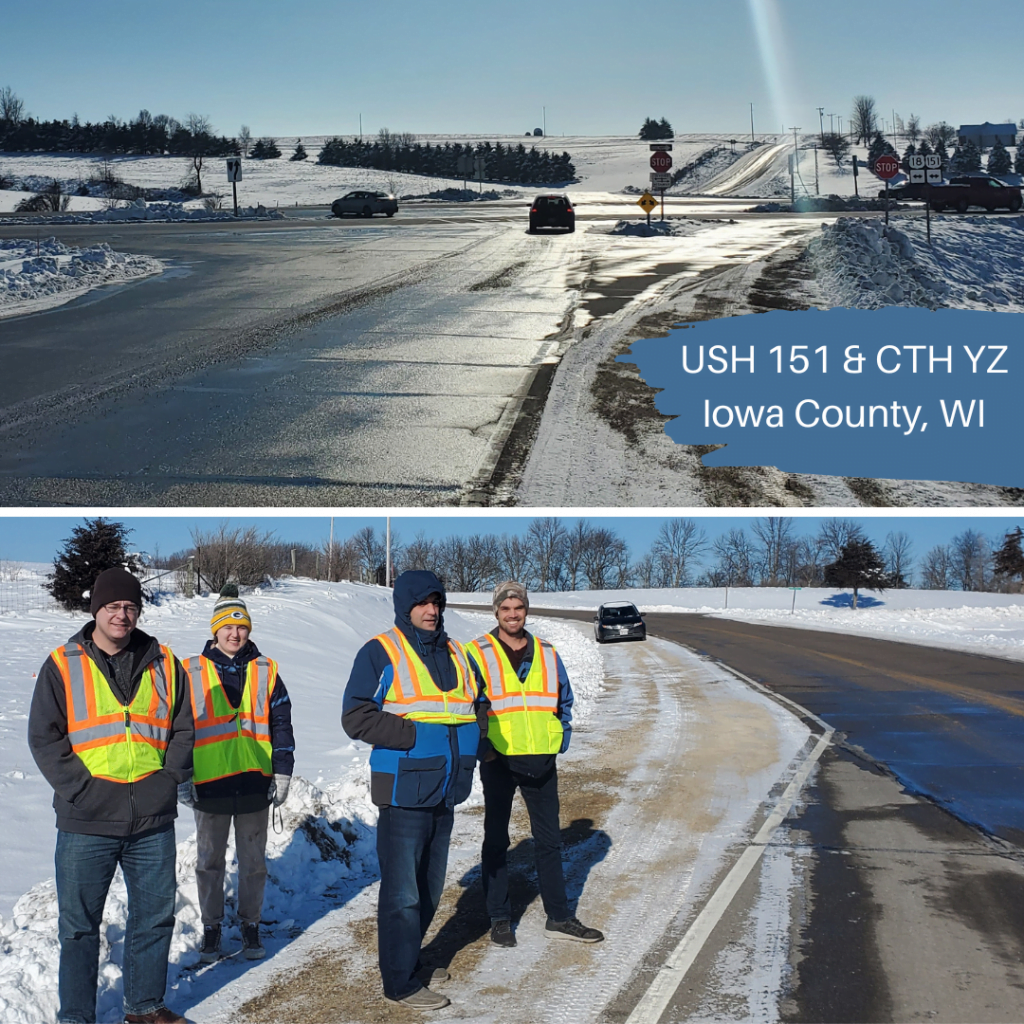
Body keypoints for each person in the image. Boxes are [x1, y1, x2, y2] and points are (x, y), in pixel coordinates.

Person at [28, 567, 193, 1024]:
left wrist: (167, 780)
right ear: (95, 610)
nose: (123, 615)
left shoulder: (165, 662)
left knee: (155, 919)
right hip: (87, 820)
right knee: (79, 929)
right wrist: (83, 790)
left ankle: (144, 1007)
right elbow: (45, 737)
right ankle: (76, 1016)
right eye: (113, 607)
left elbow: (183, 727)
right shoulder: (62, 664)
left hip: (152, 820)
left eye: (130, 607)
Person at [342, 570, 486, 1011]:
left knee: (429, 886)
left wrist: (471, 746)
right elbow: (356, 716)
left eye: (436, 602)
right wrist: (412, 736)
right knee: (402, 892)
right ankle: (399, 982)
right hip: (404, 791)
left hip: (445, 787)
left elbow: (475, 704)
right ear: (405, 606)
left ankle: (412, 957)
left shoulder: (458, 653)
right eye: (423, 603)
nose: (431, 610)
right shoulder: (380, 652)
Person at [467, 581, 604, 948]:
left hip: (540, 761)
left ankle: (559, 916)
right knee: (496, 839)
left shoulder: (546, 651)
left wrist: (559, 739)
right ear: (495, 611)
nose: (513, 614)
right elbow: (469, 705)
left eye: (519, 608)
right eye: (506, 608)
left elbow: (564, 700)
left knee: (549, 841)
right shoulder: (477, 652)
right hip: (498, 759)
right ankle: (499, 917)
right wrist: (485, 748)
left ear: (526, 610)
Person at [178, 584, 295, 964]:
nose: (234, 633)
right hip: (209, 785)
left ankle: (250, 925)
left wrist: (283, 772)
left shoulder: (266, 670)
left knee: (253, 862)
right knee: (209, 862)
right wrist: (180, 775)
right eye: (227, 626)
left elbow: (281, 722)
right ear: (215, 630)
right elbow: (176, 729)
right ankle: (211, 928)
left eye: (241, 626)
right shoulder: (189, 671)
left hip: (254, 784)